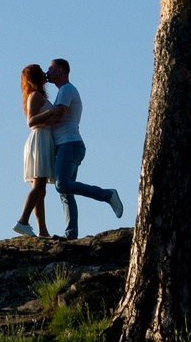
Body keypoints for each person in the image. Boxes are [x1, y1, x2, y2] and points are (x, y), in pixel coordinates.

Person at [42, 57, 122, 239]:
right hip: (67, 145)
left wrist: (37, 119)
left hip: (69, 143)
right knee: (65, 192)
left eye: (51, 69)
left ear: (61, 71)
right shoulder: (63, 91)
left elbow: (60, 113)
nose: (48, 73)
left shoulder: (66, 89)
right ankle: (71, 235)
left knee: (62, 185)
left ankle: (107, 195)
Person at [12, 64, 65, 238]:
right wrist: (51, 112)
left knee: (40, 188)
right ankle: (23, 221)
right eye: (41, 72)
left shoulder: (39, 95)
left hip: (44, 138)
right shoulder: (34, 96)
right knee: (39, 186)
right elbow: (31, 121)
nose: (45, 74)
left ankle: (42, 230)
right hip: (39, 139)